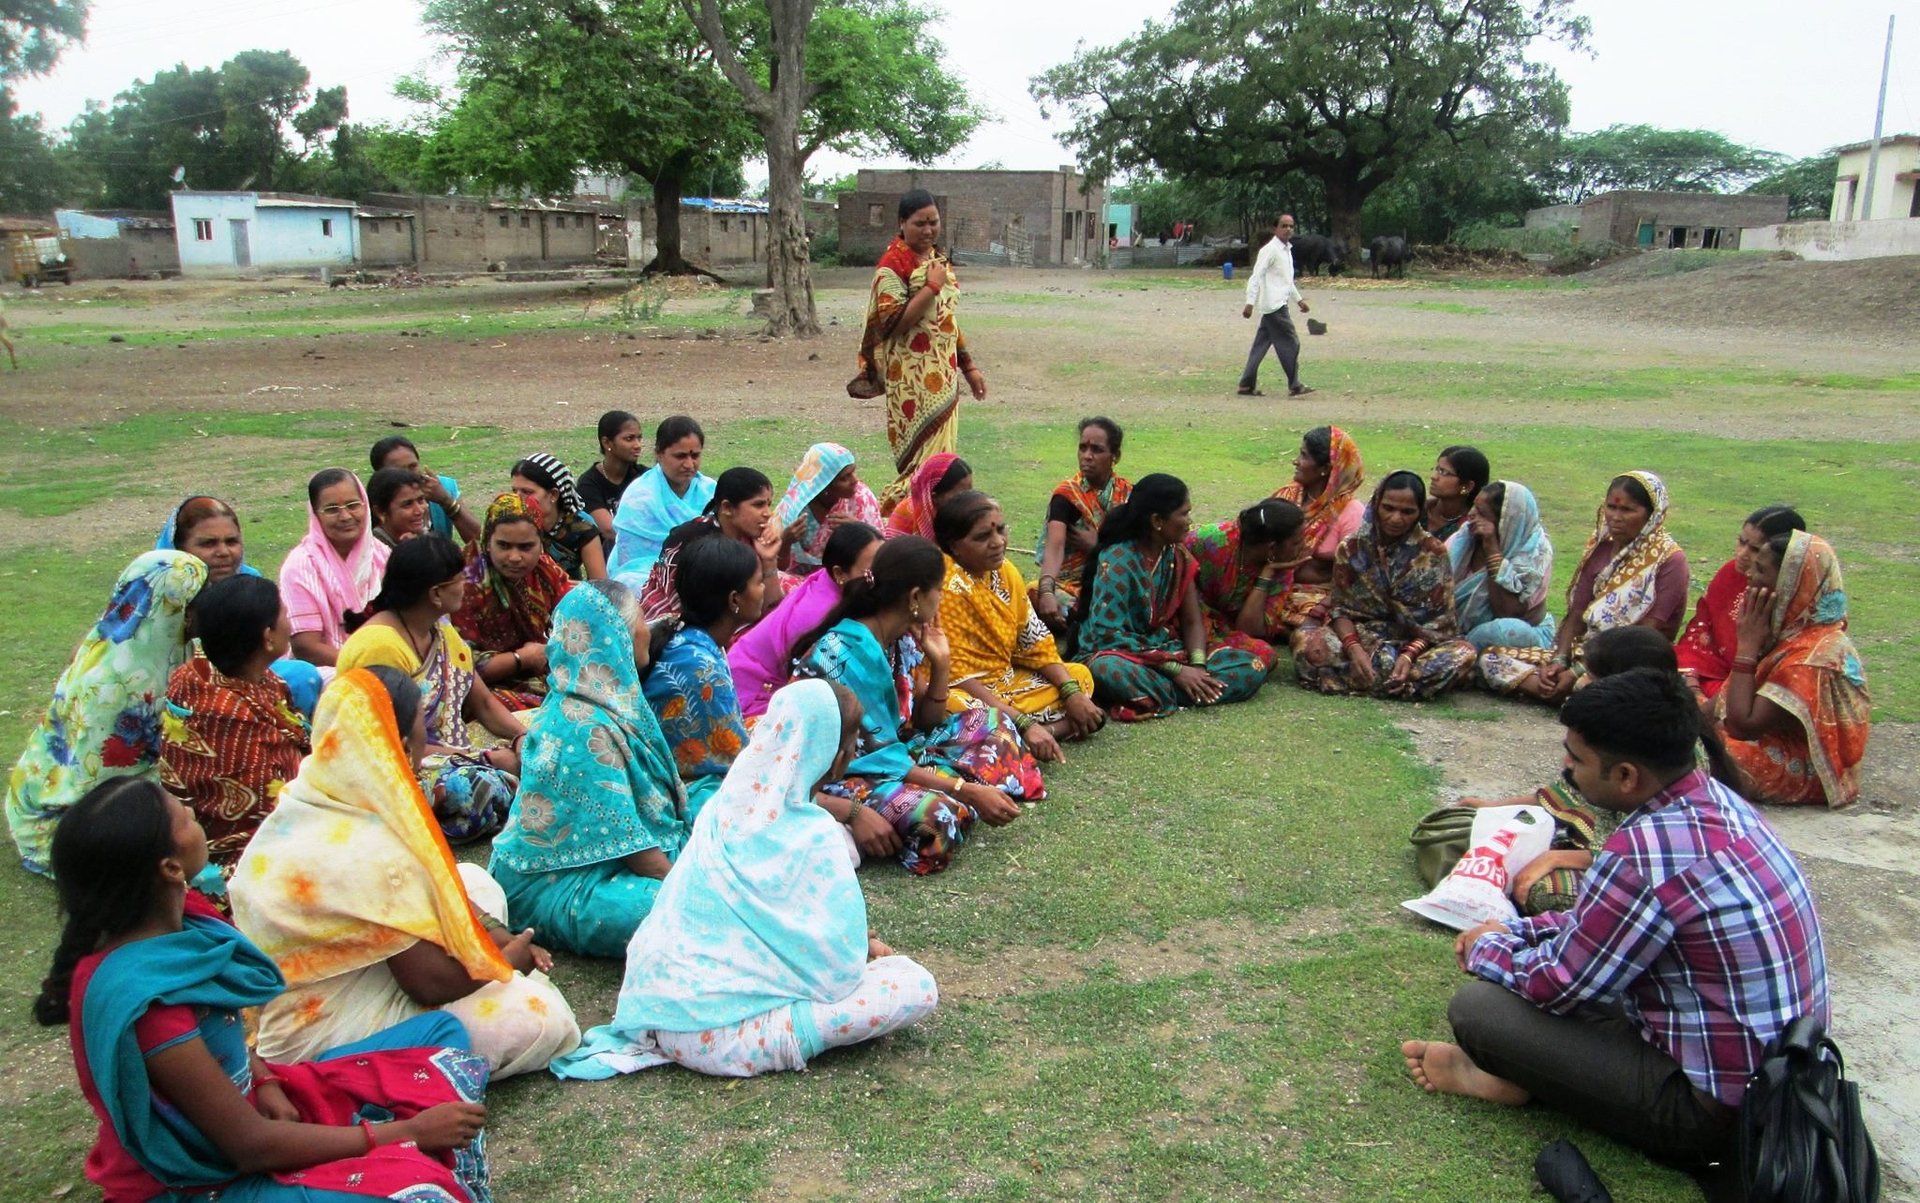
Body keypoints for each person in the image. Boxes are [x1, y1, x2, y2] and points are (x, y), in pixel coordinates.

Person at [1402, 668, 1828, 1172]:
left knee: (1479, 1009)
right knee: (1538, 975)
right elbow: (1599, 928)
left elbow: (1561, 984)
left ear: (1626, 775)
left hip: (1712, 1111)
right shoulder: (1715, 801)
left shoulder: (1643, 853)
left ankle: (1510, 1076)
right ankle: (1528, 1072)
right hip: (1782, 1072)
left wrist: (1484, 950)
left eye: (1577, 759)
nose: (1565, 768)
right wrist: (1514, 931)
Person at [36, 777, 492, 1203]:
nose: (197, 815)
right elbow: (249, 1147)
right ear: (170, 867)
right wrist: (407, 1132)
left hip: (260, 1105)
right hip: (213, 1177)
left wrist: (265, 1078)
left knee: (440, 1035)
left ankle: (384, 1146)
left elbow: (225, 1036)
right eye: (185, 817)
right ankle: (396, 1152)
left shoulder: (183, 925)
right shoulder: (149, 1004)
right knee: (419, 1191)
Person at [550, 681, 939, 1082]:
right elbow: (835, 975)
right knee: (915, 987)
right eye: (853, 742)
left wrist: (857, 942)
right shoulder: (814, 833)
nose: (854, 751)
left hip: (660, 1010)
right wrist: (861, 948)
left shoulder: (724, 807)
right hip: (724, 1039)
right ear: (834, 755)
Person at [233, 667, 579, 1079]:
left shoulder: (314, 791)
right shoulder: (370, 849)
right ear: (398, 743)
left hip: (325, 975)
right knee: (542, 1019)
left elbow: (427, 886)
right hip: (316, 1031)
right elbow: (429, 984)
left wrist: (494, 936)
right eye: (421, 729)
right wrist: (505, 961)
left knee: (473, 880)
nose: (424, 744)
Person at [792, 536, 1041, 874]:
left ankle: (964, 789)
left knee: (994, 722)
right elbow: (877, 757)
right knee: (936, 818)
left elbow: (925, 724)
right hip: (841, 774)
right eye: (938, 589)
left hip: (898, 755)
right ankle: (965, 791)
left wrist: (941, 664)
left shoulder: (899, 638)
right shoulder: (848, 652)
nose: (941, 599)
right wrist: (963, 789)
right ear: (915, 597)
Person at [1410, 625, 1681, 916]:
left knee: (1544, 891)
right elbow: (1568, 792)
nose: (1582, 684)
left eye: (1593, 678)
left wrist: (1557, 857)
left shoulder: (1668, 746)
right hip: (1583, 835)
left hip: (1631, 862)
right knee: (1464, 825)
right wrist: (1491, 807)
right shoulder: (1617, 724)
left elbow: (1661, 851)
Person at [491, 581, 690, 958]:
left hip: (607, 857)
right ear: (618, 636)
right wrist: (685, 885)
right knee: (668, 907)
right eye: (641, 618)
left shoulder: (602, 701)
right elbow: (634, 848)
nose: (648, 627)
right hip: (549, 880)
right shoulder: (582, 727)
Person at [7, 550, 207, 876]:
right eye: (200, 596)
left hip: (129, 790)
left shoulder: (157, 645)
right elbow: (100, 790)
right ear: (172, 607)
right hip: (65, 822)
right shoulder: (113, 688)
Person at [337, 536, 525, 843]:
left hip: (450, 754)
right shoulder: (379, 647)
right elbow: (390, 745)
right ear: (436, 593)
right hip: (395, 767)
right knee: (479, 788)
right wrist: (486, 759)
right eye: (460, 578)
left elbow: (485, 704)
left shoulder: (440, 629)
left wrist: (523, 739)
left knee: (544, 736)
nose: (467, 584)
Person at [1073, 473, 1274, 721]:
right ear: (1157, 521)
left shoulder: (1177, 555)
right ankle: (1184, 691)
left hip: (1166, 649)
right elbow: (1107, 636)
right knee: (1107, 670)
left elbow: (1192, 621)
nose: (1190, 521)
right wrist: (1177, 671)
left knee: (1251, 665)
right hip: (1117, 653)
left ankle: (1166, 693)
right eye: (1184, 513)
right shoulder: (1117, 561)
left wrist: (1198, 667)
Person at [1479, 471, 1690, 703]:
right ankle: (1556, 689)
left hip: (1630, 662)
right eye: (1611, 507)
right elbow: (1576, 613)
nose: (1615, 517)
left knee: (1600, 686)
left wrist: (1580, 671)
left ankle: (1565, 693)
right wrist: (1560, 661)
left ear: (1652, 515)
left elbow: (1648, 634)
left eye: (1627, 510)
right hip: (1584, 652)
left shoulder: (1669, 560)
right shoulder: (1600, 547)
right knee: (1490, 658)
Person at [936, 490, 1104, 762]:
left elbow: (1033, 641)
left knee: (1079, 675)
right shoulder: (946, 586)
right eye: (982, 537)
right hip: (967, 691)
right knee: (951, 706)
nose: (998, 542)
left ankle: (1015, 738)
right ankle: (1042, 733)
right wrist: (1026, 725)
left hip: (1008, 682)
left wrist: (1071, 693)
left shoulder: (1006, 572)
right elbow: (956, 676)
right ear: (954, 545)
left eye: (1001, 530)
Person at [161, 576, 312, 874]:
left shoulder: (200, 673)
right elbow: (275, 812)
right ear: (267, 636)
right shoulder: (229, 715)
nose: (289, 621)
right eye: (283, 613)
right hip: (241, 862)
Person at [1712, 530, 1870, 807]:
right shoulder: (1794, 630)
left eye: (1761, 570)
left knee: (1719, 752)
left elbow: (1742, 725)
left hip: (1811, 769)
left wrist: (1747, 646)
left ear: (1790, 584)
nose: (1750, 575)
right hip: (1767, 738)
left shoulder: (1813, 657)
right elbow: (1721, 704)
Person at [858, 190, 991, 509]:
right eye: (920, 223)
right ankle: (897, 519)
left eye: (934, 222)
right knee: (920, 466)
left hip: (942, 375)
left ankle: (933, 522)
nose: (929, 230)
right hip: (911, 381)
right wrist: (931, 287)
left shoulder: (937, 261)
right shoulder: (891, 267)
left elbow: (946, 322)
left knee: (941, 465)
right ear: (902, 223)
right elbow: (892, 324)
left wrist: (968, 366)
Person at [1293, 471, 1478, 701]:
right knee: (1307, 645)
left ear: (1419, 512)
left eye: (1407, 512)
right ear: (1376, 504)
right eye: (1388, 508)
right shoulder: (1352, 548)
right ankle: (1399, 686)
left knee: (1463, 653)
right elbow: (1340, 610)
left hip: (1416, 642)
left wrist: (1409, 655)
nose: (1396, 519)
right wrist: (1354, 649)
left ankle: (1365, 680)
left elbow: (1438, 624)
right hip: (1362, 636)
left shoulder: (1433, 552)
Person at [156, 495, 324, 714]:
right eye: (208, 543)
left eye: (231, 542)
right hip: (177, 690)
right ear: (179, 549)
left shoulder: (248, 582)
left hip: (250, 677)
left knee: (301, 676)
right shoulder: (161, 595)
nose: (224, 552)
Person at [642, 537, 763, 816]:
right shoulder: (699, 667)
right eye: (758, 582)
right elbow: (733, 763)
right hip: (682, 792)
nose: (764, 588)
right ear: (735, 599)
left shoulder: (687, 637)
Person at [729, 522, 884, 722]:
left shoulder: (830, 583)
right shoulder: (819, 614)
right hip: (748, 697)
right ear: (839, 573)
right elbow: (809, 691)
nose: (881, 577)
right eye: (871, 571)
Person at [450, 493, 575, 711]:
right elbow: (461, 666)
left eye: (526, 547)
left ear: (541, 544)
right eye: (504, 546)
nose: (515, 557)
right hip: (484, 688)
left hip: (542, 671)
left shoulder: (544, 570)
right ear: (487, 542)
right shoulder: (464, 584)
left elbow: (574, 611)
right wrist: (522, 658)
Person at [1676, 505, 1805, 700]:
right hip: (1703, 674)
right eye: (1741, 542)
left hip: (1749, 695)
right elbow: (1701, 629)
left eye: (1755, 549)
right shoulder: (1730, 574)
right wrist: (1691, 682)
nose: (1742, 554)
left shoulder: (1795, 604)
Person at [635, 466, 785, 621]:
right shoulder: (695, 544)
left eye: (769, 504)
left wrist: (769, 560)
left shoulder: (750, 540)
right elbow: (688, 613)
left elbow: (771, 609)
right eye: (758, 505)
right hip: (672, 624)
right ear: (727, 508)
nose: (768, 513)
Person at [280, 469, 390, 669]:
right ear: (315, 514)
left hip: (389, 661)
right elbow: (306, 647)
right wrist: (366, 667)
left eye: (353, 505)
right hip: (327, 671)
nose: (345, 516)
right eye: (332, 509)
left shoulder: (382, 555)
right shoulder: (301, 565)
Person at [1033, 417, 1131, 629]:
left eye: (1097, 450)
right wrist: (1047, 591)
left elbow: (1137, 549)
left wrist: (1098, 547)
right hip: (1070, 585)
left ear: (1115, 456)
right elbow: (1055, 547)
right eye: (1082, 448)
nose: (1087, 456)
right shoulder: (1067, 495)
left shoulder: (1127, 495)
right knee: (1036, 593)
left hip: (1115, 580)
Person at [1269, 425, 1367, 631]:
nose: (1295, 461)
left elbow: (1357, 576)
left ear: (1325, 469)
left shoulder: (1351, 512)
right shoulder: (1286, 496)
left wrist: (1323, 605)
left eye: (1304, 456)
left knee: (1318, 619)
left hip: (1320, 597)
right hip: (1273, 583)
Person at [1447, 480, 1556, 652]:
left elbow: (1508, 612)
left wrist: (1492, 549)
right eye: (1474, 507)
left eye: (1481, 513)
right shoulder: (1461, 541)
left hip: (1512, 638)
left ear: (1506, 523)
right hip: (1451, 633)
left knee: (1506, 630)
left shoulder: (1533, 555)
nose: (1470, 514)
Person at [1187, 498, 1309, 645]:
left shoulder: (1281, 571)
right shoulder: (1210, 540)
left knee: (1263, 654)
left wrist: (1267, 573)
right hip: (1185, 618)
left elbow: (1249, 631)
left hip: (1219, 628)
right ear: (1272, 548)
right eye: (1296, 542)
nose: (1304, 546)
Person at [611, 416, 715, 582]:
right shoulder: (639, 498)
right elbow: (631, 562)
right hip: (644, 576)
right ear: (659, 454)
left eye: (695, 456)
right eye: (680, 456)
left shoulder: (711, 492)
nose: (689, 464)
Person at [772, 442, 883, 575]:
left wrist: (859, 529)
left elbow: (882, 553)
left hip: (848, 576)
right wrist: (786, 541)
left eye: (853, 472)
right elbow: (776, 567)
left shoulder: (862, 497)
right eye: (845, 478)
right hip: (801, 580)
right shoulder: (795, 510)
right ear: (824, 485)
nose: (855, 480)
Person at [1236, 213, 1312, 397]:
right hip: (1275, 306)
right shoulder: (1269, 250)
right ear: (1275, 229)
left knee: (1260, 345)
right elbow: (1256, 276)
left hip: (1277, 303)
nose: (1288, 229)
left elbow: (1287, 281)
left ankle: (1246, 384)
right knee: (1291, 342)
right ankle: (1294, 385)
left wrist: (1299, 300)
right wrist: (1249, 302)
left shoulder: (1286, 250)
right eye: (1284, 226)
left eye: (1291, 226)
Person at [510, 453, 606, 581]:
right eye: (514, 491)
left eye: (527, 492)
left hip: (569, 596)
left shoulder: (581, 527)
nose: (518, 498)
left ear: (553, 495)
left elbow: (600, 583)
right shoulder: (510, 523)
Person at [370, 434, 481, 544]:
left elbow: (476, 538)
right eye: (398, 470)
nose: (408, 475)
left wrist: (446, 500)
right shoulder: (377, 500)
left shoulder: (442, 487)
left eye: (413, 466)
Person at [577, 409, 645, 549]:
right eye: (629, 439)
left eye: (639, 438)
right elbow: (609, 530)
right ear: (607, 443)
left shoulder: (645, 477)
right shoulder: (589, 483)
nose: (637, 445)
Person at [884, 452, 972, 542]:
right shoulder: (907, 515)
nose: (968, 498)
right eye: (960, 495)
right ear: (934, 497)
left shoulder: (962, 514)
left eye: (970, 490)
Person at [1426, 445, 1489, 541]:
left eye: (1444, 472)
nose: (1434, 477)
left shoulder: (1470, 529)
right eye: (1437, 469)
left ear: (1467, 486)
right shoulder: (1418, 510)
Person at [367, 466, 432, 549]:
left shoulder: (425, 539)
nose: (419, 511)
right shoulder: (372, 553)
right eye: (407, 504)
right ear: (380, 512)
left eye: (421, 500)